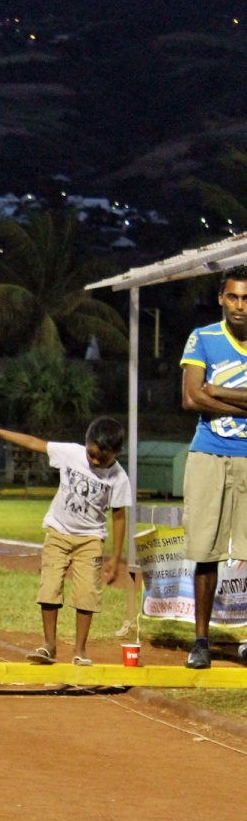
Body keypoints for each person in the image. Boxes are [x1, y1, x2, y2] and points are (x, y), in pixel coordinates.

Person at [0, 417, 130, 664]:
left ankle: (80, 650)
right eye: (91, 454)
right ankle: (49, 645)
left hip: (91, 539)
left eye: (102, 458)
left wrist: (116, 557)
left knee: (86, 593)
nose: (94, 461)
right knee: (50, 587)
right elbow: (33, 442)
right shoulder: (71, 453)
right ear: (86, 443)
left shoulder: (119, 478)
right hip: (58, 531)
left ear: (117, 452)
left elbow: (119, 517)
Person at [180, 271, 247, 668]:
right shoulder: (203, 338)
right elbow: (190, 398)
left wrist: (218, 391)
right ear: (221, 298)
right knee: (206, 551)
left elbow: (205, 393)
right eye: (234, 297)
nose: (241, 305)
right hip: (209, 454)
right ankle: (200, 641)